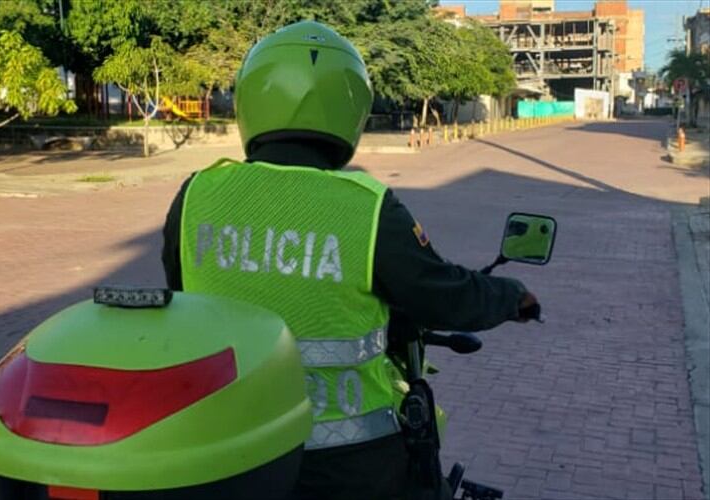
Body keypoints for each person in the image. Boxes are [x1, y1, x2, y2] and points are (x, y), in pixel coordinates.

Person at [161, 20, 539, 500]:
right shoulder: (367, 206)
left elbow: (179, 294)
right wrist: (511, 297)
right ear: (352, 108)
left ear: (250, 100)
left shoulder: (197, 195)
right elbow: (442, 296)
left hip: (228, 447)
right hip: (351, 462)